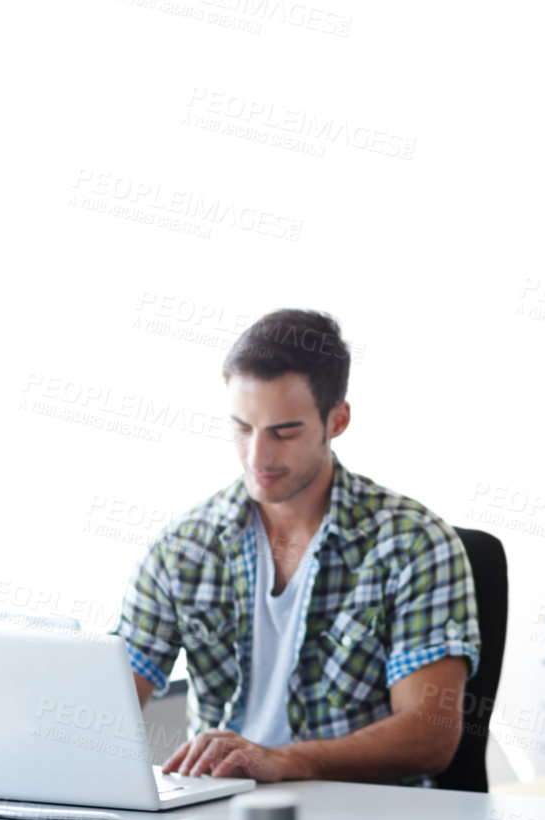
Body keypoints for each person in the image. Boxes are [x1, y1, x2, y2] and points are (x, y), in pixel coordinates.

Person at [112, 308, 479, 783]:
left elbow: (430, 736)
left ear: (338, 420)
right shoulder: (183, 547)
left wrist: (286, 760)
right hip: (222, 817)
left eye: (284, 432)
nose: (257, 457)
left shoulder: (413, 544)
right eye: (243, 428)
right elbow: (111, 698)